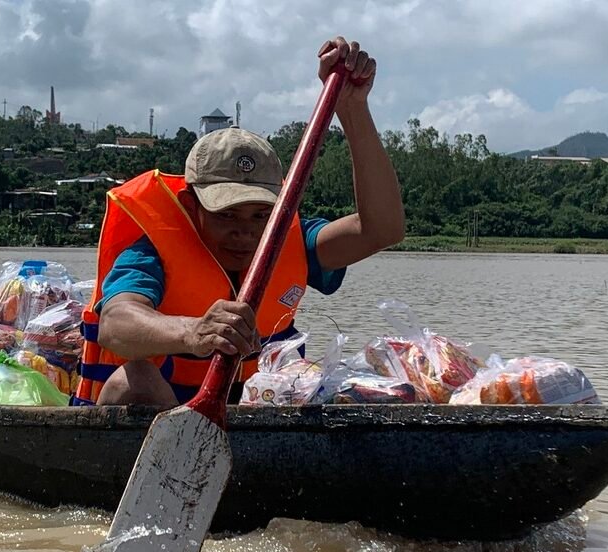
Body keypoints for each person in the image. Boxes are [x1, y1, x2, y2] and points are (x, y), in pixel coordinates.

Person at [74, 36, 404, 407]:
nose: (244, 232)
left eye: (260, 215)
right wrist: (193, 331)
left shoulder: (289, 239)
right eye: (226, 214)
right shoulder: (151, 252)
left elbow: (381, 229)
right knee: (133, 380)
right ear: (191, 205)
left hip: (255, 405)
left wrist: (352, 108)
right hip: (167, 407)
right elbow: (115, 323)